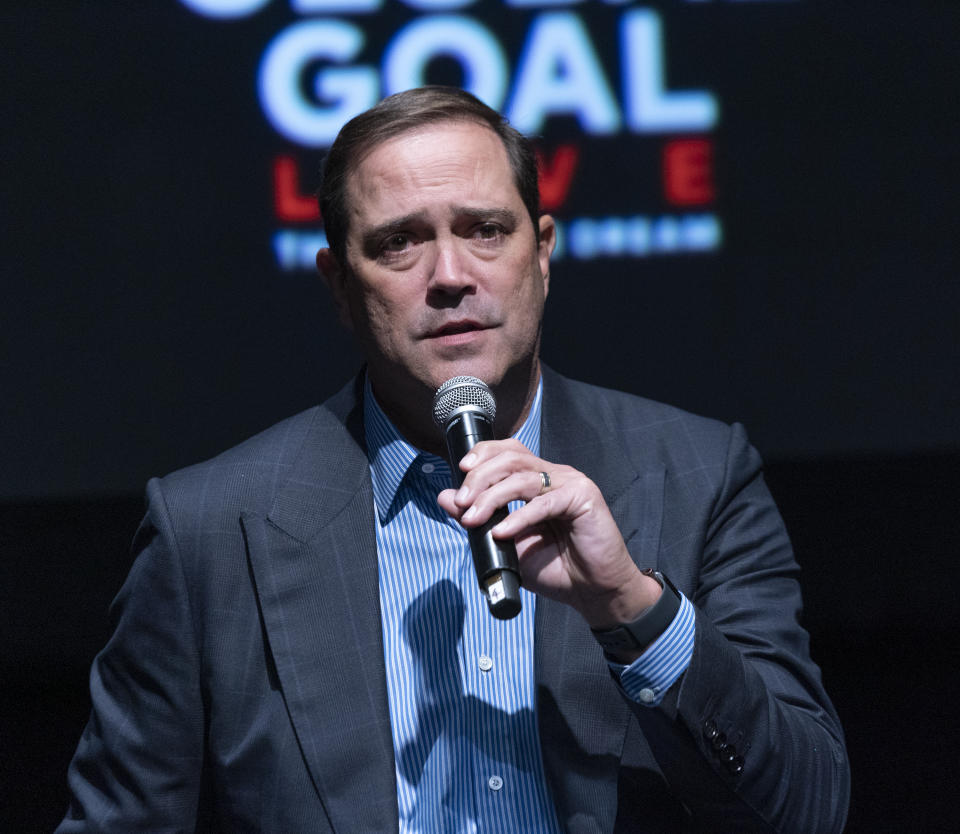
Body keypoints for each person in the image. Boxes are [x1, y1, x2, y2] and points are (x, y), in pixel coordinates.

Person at [58, 86, 849, 833]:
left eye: (485, 230)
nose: (450, 277)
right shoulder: (208, 531)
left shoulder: (700, 473)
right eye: (400, 242)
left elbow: (809, 809)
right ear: (339, 284)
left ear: (541, 252)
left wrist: (633, 609)